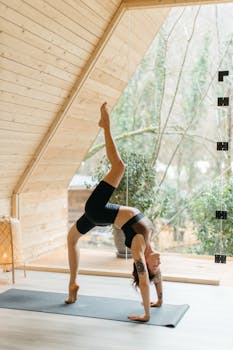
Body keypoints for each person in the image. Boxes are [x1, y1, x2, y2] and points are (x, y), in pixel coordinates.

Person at [65, 102, 163, 322]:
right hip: (100, 216)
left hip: (98, 210)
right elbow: (155, 278)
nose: (159, 264)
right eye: (159, 267)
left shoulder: (139, 248)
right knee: (71, 239)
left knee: (119, 166)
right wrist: (160, 300)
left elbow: (145, 280)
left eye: (154, 266)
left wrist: (147, 313)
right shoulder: (149, 243)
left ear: (146, 264)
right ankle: (73, 283)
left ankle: (105, 125)